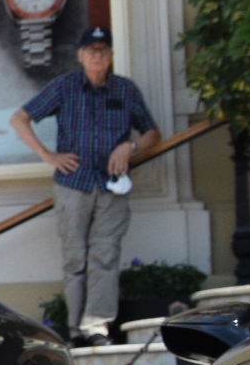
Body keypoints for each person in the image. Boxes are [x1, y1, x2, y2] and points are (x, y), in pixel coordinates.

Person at [10, 25, 160, 345]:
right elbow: (20, 118)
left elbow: (152, 133)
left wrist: (130, 148)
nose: (97, 55)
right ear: (80, 55)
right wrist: (47, 155)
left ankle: (97, 327)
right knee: (75, 257)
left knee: (105, 254)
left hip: (111, 185)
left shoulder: (125, 90)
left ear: (111, 56)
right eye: (91, 50)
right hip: (73, 183)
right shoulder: (64, 87)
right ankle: (76, 330)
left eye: (103, 50)